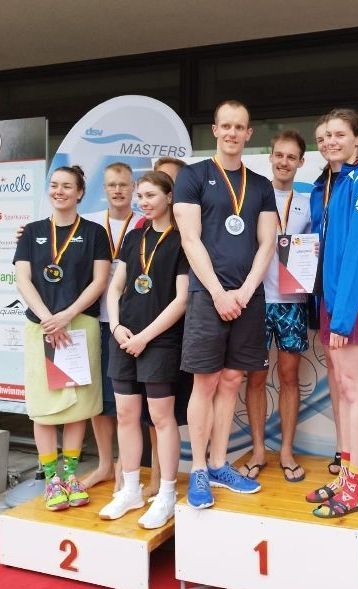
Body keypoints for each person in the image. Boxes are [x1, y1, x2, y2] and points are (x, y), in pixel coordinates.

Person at [174, 99, 277, 508]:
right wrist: (218, 292)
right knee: (206, 381)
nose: (233, 133)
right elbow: (190, 239)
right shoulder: (193, 176)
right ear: (215, 130)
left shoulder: (261, 185)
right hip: (207, 296)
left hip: (248, 297)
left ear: (248, 133)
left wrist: (245, 291)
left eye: (240, 127)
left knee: (233, 379)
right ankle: (199, 468)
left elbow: (267, 242)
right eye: (226, 126)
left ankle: (219, 463)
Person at [306, 108, 358, 518]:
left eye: (338, 134)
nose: (329, 142)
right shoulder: (333, 184)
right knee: (342, 388)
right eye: (323, 137)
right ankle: (344, 477)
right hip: (331, 300)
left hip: (349, 304)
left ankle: (355, 486)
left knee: (354, 390)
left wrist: (342, 315)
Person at [14, 166, 111, 510]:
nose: (60, 191)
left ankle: (70, 476)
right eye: (54, 185)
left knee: (77, 406)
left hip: (79, 326)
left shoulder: (95, 232)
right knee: (43, 409)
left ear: (80, 192)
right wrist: (47, 319)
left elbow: (100, 281)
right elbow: (22, 279)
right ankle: (51, 481)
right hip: (40, 327)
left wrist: (67, 316)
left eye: (67, 186)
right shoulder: (32, 231)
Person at [98, 171, 189, 528]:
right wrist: (116, 327)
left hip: (160, 341)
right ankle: (131, 489)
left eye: (151, 195)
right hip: (124, 337)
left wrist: (145, 337)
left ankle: (166, 493)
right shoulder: (134, 236)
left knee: (162, 419)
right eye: (141, 196)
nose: (143, 202)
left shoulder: (182, 239)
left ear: (169, 196)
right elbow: (115, 287)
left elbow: (182, 300)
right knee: (125, 414)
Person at [242, 130, 311, 482]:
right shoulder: (253, 197)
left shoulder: (308, 202)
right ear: (270, 157)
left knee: (289, 378)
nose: (284, 162)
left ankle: (285, 450)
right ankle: (258, 449)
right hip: (255, 300)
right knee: (255, 378)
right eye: (279, 155)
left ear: (301, 162)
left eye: (291, 157)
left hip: (292, 302)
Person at [80, 162, 142, 491]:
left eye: (123, 184)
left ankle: (124, 465)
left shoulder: (144, 223)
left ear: (134, 187)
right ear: (103, 189)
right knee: (99, 399)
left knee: (130, 401)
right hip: (95, 320)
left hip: (133, 324)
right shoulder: (89, 224)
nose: (118, 190)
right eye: (112, 185)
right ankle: (105, 463)